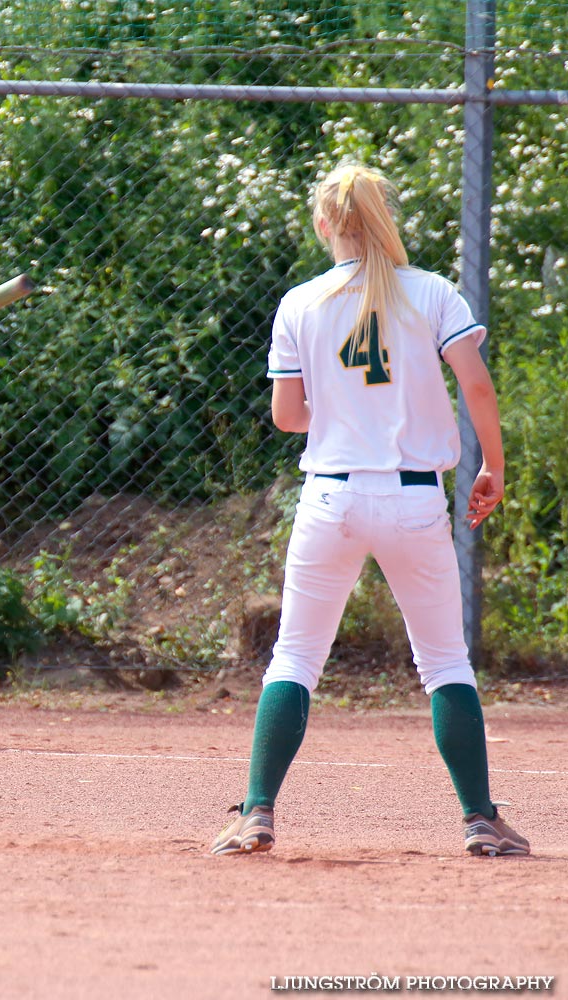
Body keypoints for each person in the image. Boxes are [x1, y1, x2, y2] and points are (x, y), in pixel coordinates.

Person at [212, 163, 529, 858]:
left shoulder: (300, 302)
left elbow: (287, 415)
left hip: (332, 495)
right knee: (445, 662)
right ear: (387, 221)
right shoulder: (433, 292)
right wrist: (493, 467)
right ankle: (480, 820)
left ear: (325, 225)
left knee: (295, 655)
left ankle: (256, 813)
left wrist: (348, 405)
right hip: (414, 496)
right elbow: (475, 386)